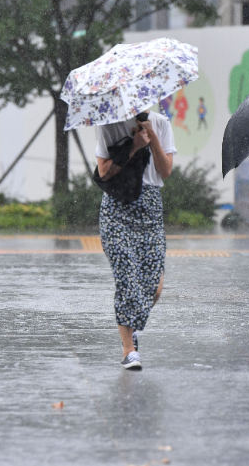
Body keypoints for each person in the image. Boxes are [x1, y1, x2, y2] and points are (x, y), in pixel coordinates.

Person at [96, 110, 176, 369]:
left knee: (154, 286)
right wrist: (133, 146)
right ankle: (128, 350)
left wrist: (152, 139)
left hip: (150, 207)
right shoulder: (108, 124)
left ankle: (132, 325)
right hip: (117, 206)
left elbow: (165, 171)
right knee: (127, 277)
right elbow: (103, 172)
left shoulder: (161, 123)